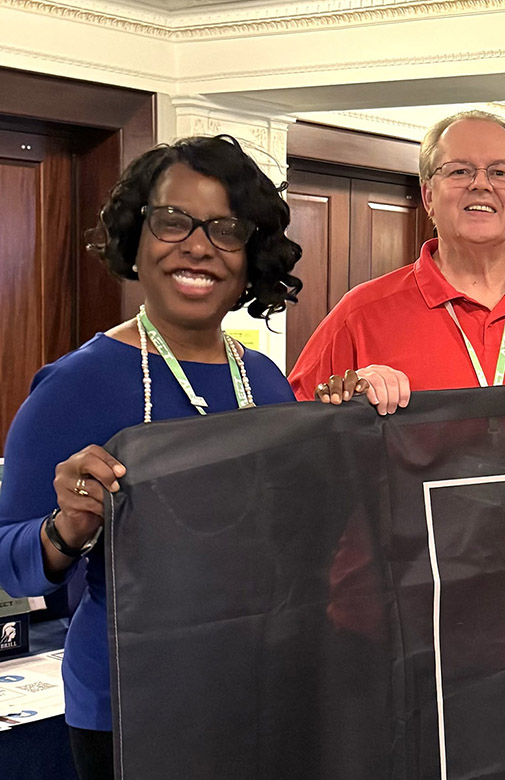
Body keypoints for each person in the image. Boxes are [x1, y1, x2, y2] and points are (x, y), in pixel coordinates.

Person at [0, 135, 305, 780]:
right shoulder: (77, 385)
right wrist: (66, 531)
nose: (197, 246)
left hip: (260, 687)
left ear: (251, 257)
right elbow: (9, 561)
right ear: (135, 239)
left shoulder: (269, 384)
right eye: (172, 221)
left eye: (226, 229)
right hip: (130, 704)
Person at [290, 110, 505, 408]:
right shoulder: (361, 313)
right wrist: (346, 403)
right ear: (428, 196)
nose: (481, 184)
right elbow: (293, 432)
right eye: (459, 171)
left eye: (501, 172)